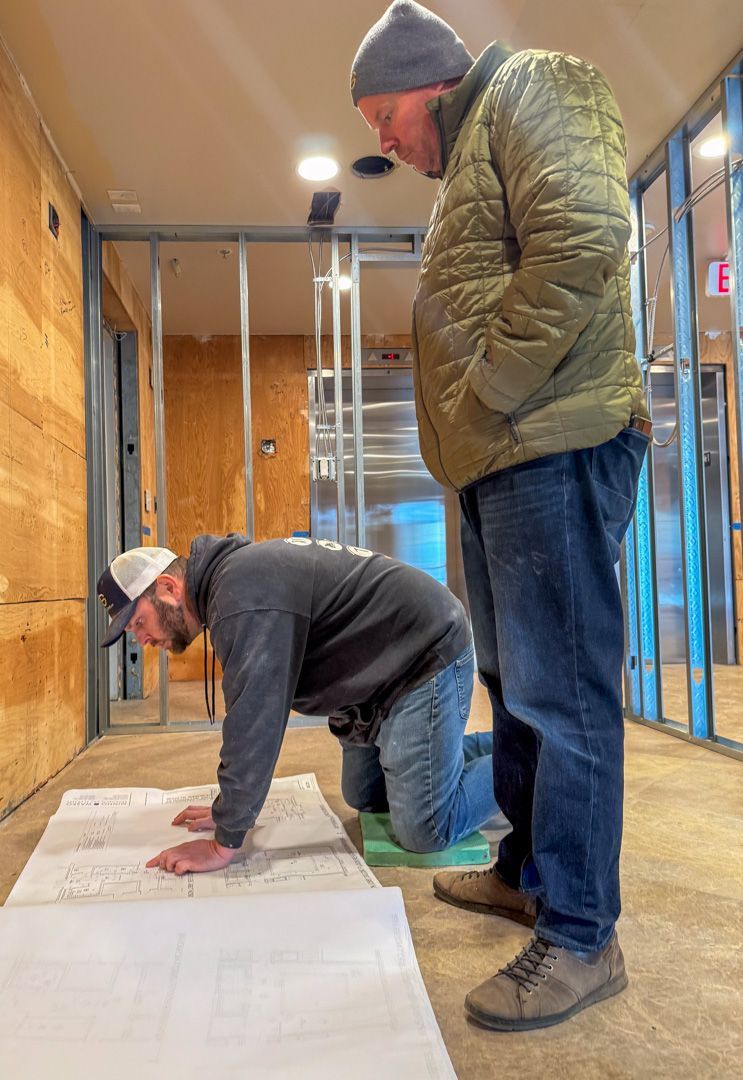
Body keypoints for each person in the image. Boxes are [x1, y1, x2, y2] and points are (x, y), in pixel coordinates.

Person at [350, 0, 651, 1032]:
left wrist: (484, 388)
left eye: (382, 114)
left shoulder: (534, 85)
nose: (379, 139)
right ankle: (526, 870)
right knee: (511, 684)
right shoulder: (468, 151)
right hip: (500, 458)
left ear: (431, 83)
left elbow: (580, 240)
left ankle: (578, 935)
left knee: (561, 695)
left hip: (549, 439)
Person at [97, 534, 496, 872]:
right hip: (376, 685)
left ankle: (527, 758)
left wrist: (224, 839)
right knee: (366, 797)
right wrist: (226, 809)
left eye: (139, 623)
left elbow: (254, 723)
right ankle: (456, 751)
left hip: (422, 656)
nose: (142, 640)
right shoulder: (233, 586)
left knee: (425, 827)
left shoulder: (241, 593)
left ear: (168, 588)